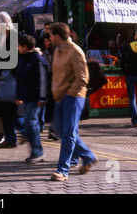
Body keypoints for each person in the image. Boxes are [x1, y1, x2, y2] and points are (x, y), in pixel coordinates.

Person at [48, 22, 98, 181]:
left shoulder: (75, 51)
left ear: (57, 36)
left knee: (69, 133)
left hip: (74, 96)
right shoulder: (57, 51)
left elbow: (83, 78)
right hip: (60, 97)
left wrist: (69, 93)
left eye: (50, 35)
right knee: (58, 129)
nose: (48, 38)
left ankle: (62, 170)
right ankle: (88, 156)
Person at [0, 11, 24, 148]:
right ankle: (10, 138)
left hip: (11, 81)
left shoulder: (15, 37)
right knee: (6, 112)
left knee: (14, 113)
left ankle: (26, 134)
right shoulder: (2, 38)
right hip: (3, 81)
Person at [16, 35, 47, 163]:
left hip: (36, 97)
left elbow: (42, 79)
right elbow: (20, 78)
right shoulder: (24, 59)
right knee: (29, 123)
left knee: (30, 122)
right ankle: (36, 150)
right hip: (27, 97)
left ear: (25, 47)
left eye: (19, 46)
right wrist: (19, 95)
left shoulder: (37, 59)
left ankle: (37, 151)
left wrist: (42, 97)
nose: (17, 48)